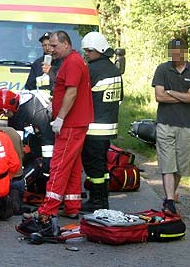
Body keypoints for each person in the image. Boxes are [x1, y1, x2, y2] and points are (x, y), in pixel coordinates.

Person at [21, 30, 94, 236]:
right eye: (49, 46)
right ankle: (71, 206)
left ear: (66, 44)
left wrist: (60, 117)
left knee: (59, 165)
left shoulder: (72, 62)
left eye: (54, 46)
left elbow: (71, 92)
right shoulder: (72, 61)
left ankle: (47, 209)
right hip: (76, 122)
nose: (50, 49)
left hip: (70, 123)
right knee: (71, 166)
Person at [152, 38, 190, 216]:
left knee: (181, 166)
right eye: (173, 51)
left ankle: (171, 195)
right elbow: (159, 97)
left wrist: (171, 92)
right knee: (167, 164)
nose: (176, 55)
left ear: (185, 53)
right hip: (165, 123)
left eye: (179, 52)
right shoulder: (162, 69)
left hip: (186, 124)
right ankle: (170, 201)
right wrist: (184, 96)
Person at [81, 31, 123, 212]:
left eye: (89, 51)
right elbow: (119, 98)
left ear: (99, 50)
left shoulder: (92, 70)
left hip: (94, 127)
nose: (87, 54)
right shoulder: (113, 69)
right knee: (102, 166)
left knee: (93, 166)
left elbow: (80, 96)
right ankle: (102, 200)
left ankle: (97, 202)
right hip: (108, 126)